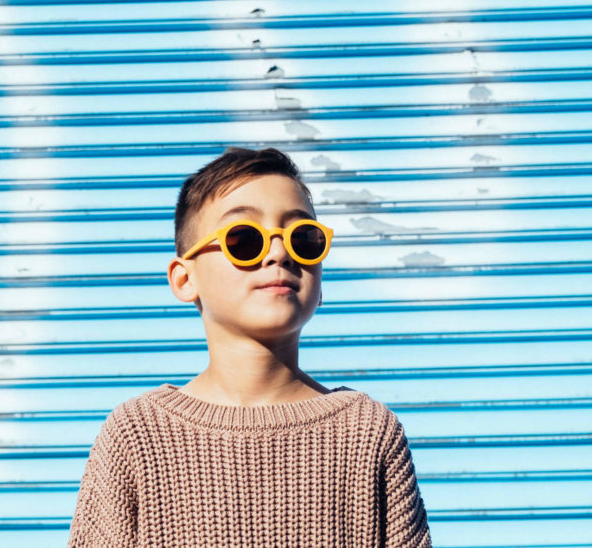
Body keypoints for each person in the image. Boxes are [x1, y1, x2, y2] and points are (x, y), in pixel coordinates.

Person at [68, 146, 431, 547]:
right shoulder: (137, 435)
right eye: (244, 239)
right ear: (185, 278)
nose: (279, 254)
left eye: (303, 239)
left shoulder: (368, 431)